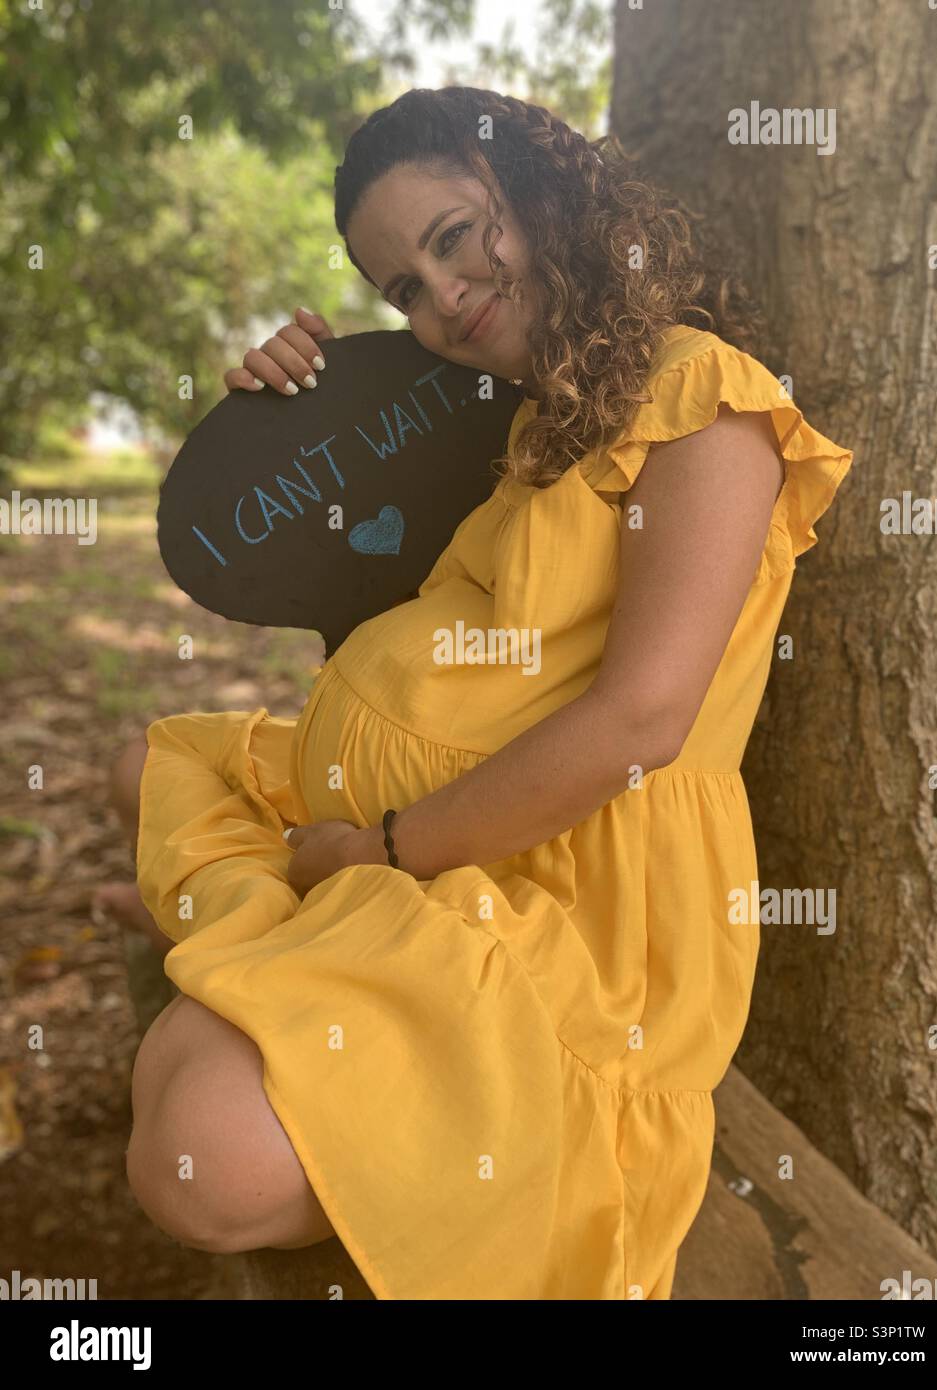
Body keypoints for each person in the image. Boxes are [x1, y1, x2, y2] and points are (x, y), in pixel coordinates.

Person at [97, 86, 853, 1297]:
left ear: (543, 187)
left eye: (454, 236)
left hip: (565, 894)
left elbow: (641, 721)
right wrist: (294, 410)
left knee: (192, 1160)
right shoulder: (514, 420)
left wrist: (384, 854)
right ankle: (290, 971)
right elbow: (370, 597)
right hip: (421, 842)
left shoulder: (704, 397)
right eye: (400, 288)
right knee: (154, 769)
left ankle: (298, 972)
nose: (441, 298)